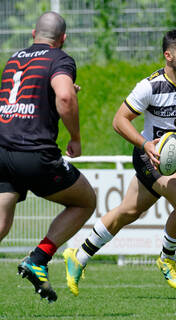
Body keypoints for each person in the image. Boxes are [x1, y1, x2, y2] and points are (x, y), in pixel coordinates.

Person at [63, 28, 176, 296]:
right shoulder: (149, 86)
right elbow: (119, 120)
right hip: (148, 157)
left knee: (128, 212)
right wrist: (146, 144)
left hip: (170, 161)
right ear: (168, 56)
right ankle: (167, 258)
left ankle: (78, 256)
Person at [0, 11, 96, 303]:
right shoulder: (59, 59)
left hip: (3, 152)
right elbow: (64, 97)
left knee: (1, 225)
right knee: (85, 201)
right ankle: (38, 259)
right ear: (63, 39)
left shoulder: (14, 59)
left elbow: (27, 95)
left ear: (33, 34)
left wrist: (58, 92)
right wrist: (75, 138)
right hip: (34, 153)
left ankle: (38, 261)